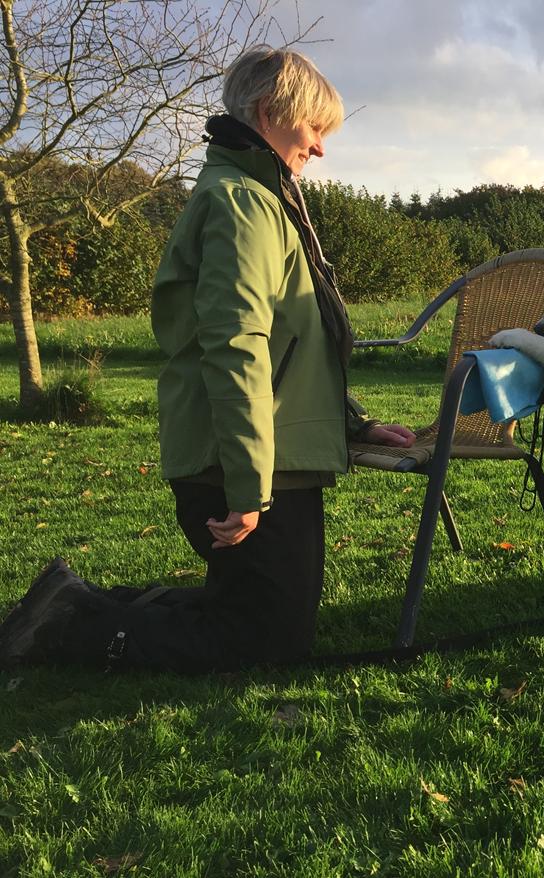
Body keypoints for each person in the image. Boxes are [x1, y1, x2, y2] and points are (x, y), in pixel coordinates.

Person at [0, 46, 414, 672]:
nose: (322, 147)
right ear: (270, 112)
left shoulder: (262, 196)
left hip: (265, 458)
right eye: (315, 128)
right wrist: (250, 487)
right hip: (240, 467)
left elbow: (293, 344)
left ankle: (77, 603)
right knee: (264, 645)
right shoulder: (243, 203)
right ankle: (74, 627)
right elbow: (237, 345)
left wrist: (351, 421)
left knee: (261, 616)